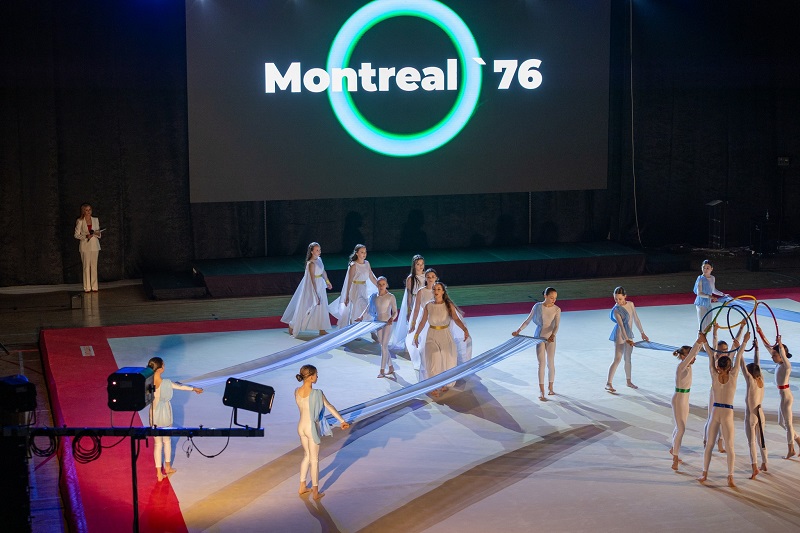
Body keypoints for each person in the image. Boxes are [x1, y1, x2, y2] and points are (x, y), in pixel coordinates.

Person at [698, 328, 748, 488]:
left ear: (718, 367)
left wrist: (704, 340)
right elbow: (739, 356)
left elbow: (710, 356)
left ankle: (704, 473)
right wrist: (744, 342)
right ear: (730, 366)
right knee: (730, 446)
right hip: (727, 413)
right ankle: (730, 476)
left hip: (715, 412)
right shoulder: (734, 375)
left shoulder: (714, 375)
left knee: (709, 445)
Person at [295, 364, 350, 500]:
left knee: (306, 456)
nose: (317, 377)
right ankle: (315, 492)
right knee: (314, 460)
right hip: (311, 428)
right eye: (316, 374)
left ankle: (302, 486)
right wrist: (342, 421)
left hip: (301, 426)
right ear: (311, 377)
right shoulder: (317, 393)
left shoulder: (296, 391)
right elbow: (329, 407)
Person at [147, 357, 203, 482]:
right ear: (160, 369)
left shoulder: (147, 383)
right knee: (167, 441)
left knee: (157, 444)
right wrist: (194, 389)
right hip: (165, 415)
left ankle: (158, 473)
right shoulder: (166, 383)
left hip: (154, 415)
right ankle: (167, 467)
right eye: (163, 365)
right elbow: (180, 387)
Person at [413, 281, 469, 397]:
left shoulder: (448, 305)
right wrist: (416, 334)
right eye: (434, 289)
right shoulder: (428, 305)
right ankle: (433, 386)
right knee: (433, 360)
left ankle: (444, 383)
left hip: (445, 335)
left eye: (439, 289)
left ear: (443, 292)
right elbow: (423, 321)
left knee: (447, 360)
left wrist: (465, 329)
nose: (436, 291)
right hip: (432, 335)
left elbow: (456, 319)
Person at [757, 326, 800, 458]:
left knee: (788, 423)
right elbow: (768, 346)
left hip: (786, 396)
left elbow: (780, 352)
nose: (772, 356)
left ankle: (791, 449)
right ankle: (799, 440)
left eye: (775, 355)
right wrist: (761, 332)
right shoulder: (779, 363)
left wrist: (780, 344)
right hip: (783, 396)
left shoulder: (786, 365)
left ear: (782, 355)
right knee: (781, 423)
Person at [512, 287, 561, 401]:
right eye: (551, 297)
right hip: (538, 337)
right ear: (545, 296)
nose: (554, 300)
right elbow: (528, 320)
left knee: (550, 362)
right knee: (541, 363)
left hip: (550, 338)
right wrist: (518, 331)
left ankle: (550, 387)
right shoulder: (537, 306)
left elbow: (556, 325)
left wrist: (553, 335)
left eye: (555, 298)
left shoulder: (557, 309)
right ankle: (541, 390)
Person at [281, 242, 333, 337]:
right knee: (307, 307)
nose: (319, 252)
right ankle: (293, 325)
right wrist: (315, 294)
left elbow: (323, 271)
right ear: (312, 252)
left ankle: (322, 329)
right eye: (317, 250)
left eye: (319, 250)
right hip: (312, 287)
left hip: (320, 285)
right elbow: (312, 279)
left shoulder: (319, 259)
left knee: (322, 306)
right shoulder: (311, 263)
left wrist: (327, 281)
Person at [605, 287, 649, 392]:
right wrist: (626, 339)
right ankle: (608, 383)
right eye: (615, 299)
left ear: (625, 296)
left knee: (628, 358)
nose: (618, 301)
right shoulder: (616, 310)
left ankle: (629, 381)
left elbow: (636, 319)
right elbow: (621, 326)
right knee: (617, 359)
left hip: (629, 335)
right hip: (620, 335)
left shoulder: (631, 304)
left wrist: (642, 333)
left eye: (620, 299)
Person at [669, 336, 703, 471]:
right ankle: (675, 457)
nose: (694, 358)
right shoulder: (681, 366)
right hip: (678, 399)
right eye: (690, 356)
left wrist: (701, 341)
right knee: (681, 429)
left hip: (685, 399)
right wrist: (698, 341)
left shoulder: (687, 364)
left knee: (679, 427)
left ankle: (673, 448)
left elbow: (695, 352)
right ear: (683, 356)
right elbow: (693, 352)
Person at [356, 276, 398, 378]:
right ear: (377, 285)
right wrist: (361, 316)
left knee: (384, 346)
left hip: (387, 323)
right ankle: (391, 367)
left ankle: (382, 370)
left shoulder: (391, 297)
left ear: (386, 285)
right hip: (377, 323)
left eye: (383, 284)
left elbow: (395, 312)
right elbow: (368, 307)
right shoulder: (374, 296)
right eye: (379, 284)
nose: (381, 286)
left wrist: (392, 318)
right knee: (383, 346)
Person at [330, 244, 379, 327]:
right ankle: (357, 327)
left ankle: (364, 327)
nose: (364, 254)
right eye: (362, 252)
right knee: (360, 307)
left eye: (365, 252)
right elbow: (349, 281)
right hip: (355, 289)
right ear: (357, 253)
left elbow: (371, 277)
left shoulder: (367, 263)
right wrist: (347, 295)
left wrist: (379, 286)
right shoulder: (353, 265)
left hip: (363, 288)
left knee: (363, 307)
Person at [740, 340, 767, 478]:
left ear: (750, 373)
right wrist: (756, 349)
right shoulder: (761, 379)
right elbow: (757, 364)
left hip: (751, 415)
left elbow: (742, 366)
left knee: (751, 442)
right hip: (760, 413)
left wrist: (740, 348)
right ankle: (765, 463)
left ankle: (755, 467)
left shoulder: (750, 381)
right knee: (761, 439)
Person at [388, 254, 425, 353]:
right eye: (418, 264)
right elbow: (409, 295)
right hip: (414, 302)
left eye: (422, 264)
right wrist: (409, 310)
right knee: (413, 323)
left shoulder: (426, 276)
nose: (421, 266)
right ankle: (409, 345)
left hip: (424, 302)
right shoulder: (411, 278)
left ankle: (421, 344)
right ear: (414, 265)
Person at [703, 325, 728, 454]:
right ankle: (705, 439)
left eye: (725, 349)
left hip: (725, 393)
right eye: (721, 350)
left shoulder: (728, 361)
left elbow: (737, 348)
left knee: (723, 418)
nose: (724, 352)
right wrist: (715, 331)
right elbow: (712, 345)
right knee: (711, 417)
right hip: (714, 392)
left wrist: (741, 328)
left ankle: (720, 441)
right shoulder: (715, 359)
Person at [408, 268, 438, 374]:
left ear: (436, 278)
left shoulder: (438, 290)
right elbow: (416, 309)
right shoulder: (421, 291)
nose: (430, 279)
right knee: (423, 344)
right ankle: (425, 365)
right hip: (424, 321)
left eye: (433, 277)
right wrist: (413, 323)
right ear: (425, 278)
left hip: (436, 320)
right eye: (428, 277)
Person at [693, 259, 730, 332]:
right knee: (702, 326)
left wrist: (722, 294)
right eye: (704, 267)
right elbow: (699, 293)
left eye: (707, 268)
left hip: (708, 303)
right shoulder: (700, 279)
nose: (705, 270)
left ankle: (704, 339)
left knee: (708, 326)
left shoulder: (712, 278)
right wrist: (710, 296)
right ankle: (700, 339)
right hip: (701, 304)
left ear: (711, 269)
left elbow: (713, 290)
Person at [73, 203, 102, 292]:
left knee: (94, 266)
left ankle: (95, 287)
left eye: (90, 210)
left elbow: (99, 234)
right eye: (86, 210)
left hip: (95, 246)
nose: (88, 212)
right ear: (83, 211)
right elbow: (76, 235)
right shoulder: (80, 221)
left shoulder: (95, 220)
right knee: (86, 267)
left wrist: (96, 233)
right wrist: (86, 236)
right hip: (85, 246)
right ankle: (87, 287)